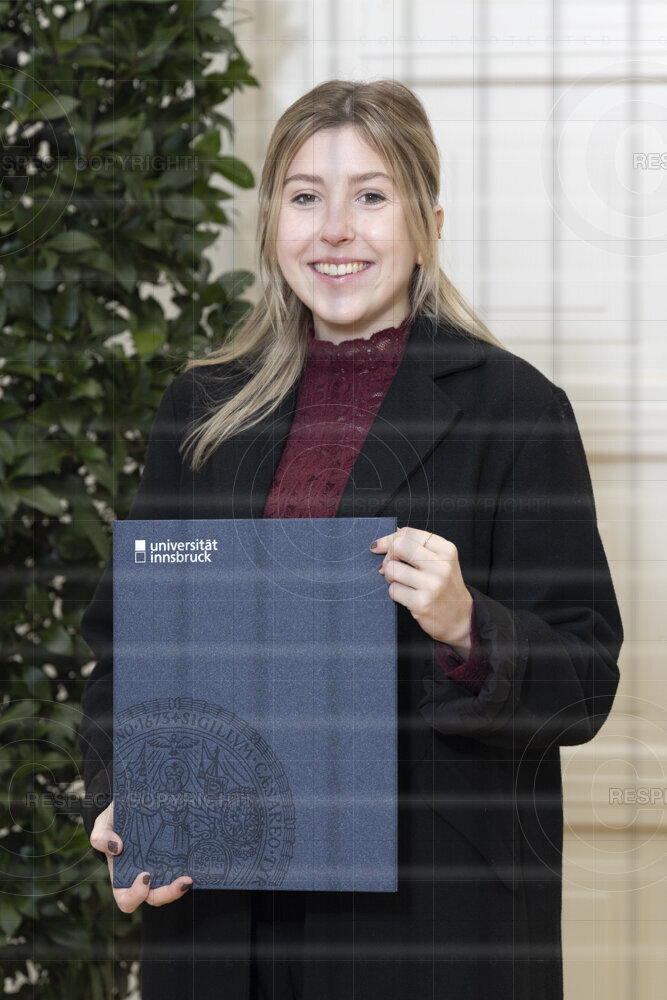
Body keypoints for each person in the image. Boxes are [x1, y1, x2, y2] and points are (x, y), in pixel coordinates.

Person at [78, 78, 624, 1000]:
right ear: (271, 225)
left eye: (370, 196)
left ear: (427, 226)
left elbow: (586, 685)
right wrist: (118, 794)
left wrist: (467, 626)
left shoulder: (518, 410)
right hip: (221, 915)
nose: (334, 230)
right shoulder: (199, 407)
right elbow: (124, 650)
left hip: (429, 928)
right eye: (305, 197)